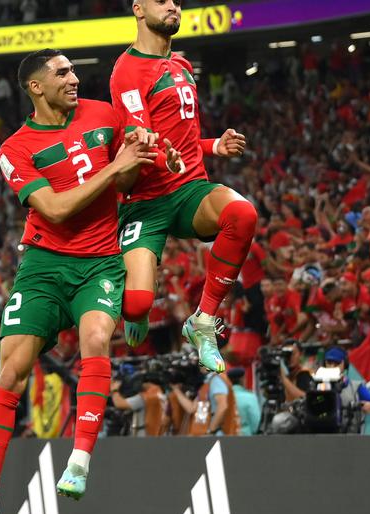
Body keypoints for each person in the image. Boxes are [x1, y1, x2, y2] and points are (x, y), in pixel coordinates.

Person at [0, 48, 169, 514]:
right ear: (36, 87)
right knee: (12, 371)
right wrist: (113, 169)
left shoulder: (103, 113)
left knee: (97, 338)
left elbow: (141, 163)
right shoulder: (15, 148)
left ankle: (79, 461)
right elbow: (54, 209)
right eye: (62, 73)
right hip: (42, 267)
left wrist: (168, 150)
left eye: (74, 70)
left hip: (99, 262)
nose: (74, 77)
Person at [110, 0, 256, 375]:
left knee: (242, 212)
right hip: (145, 201)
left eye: (176, 1)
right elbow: (138, 141)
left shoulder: (183, 67)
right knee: (139, 304)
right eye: (162, 1)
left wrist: (213, 147)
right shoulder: (127, 71)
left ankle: (203, 321)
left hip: (190, 188)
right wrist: (164, 160)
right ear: (138, 9)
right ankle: (133, 307)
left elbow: (184, 140)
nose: (173, 6)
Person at [323, 347, 370, 433]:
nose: (332, 367)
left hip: (350, 437)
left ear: (345, 365)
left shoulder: (355, 387)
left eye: (337, 363)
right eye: (329, 363)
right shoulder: (317, 385)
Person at [227, 368, 260, 436]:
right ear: (242, 379)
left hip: (226, 436)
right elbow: (256, 422)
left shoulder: (224, 397)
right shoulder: (250, 397)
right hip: (246, 437)